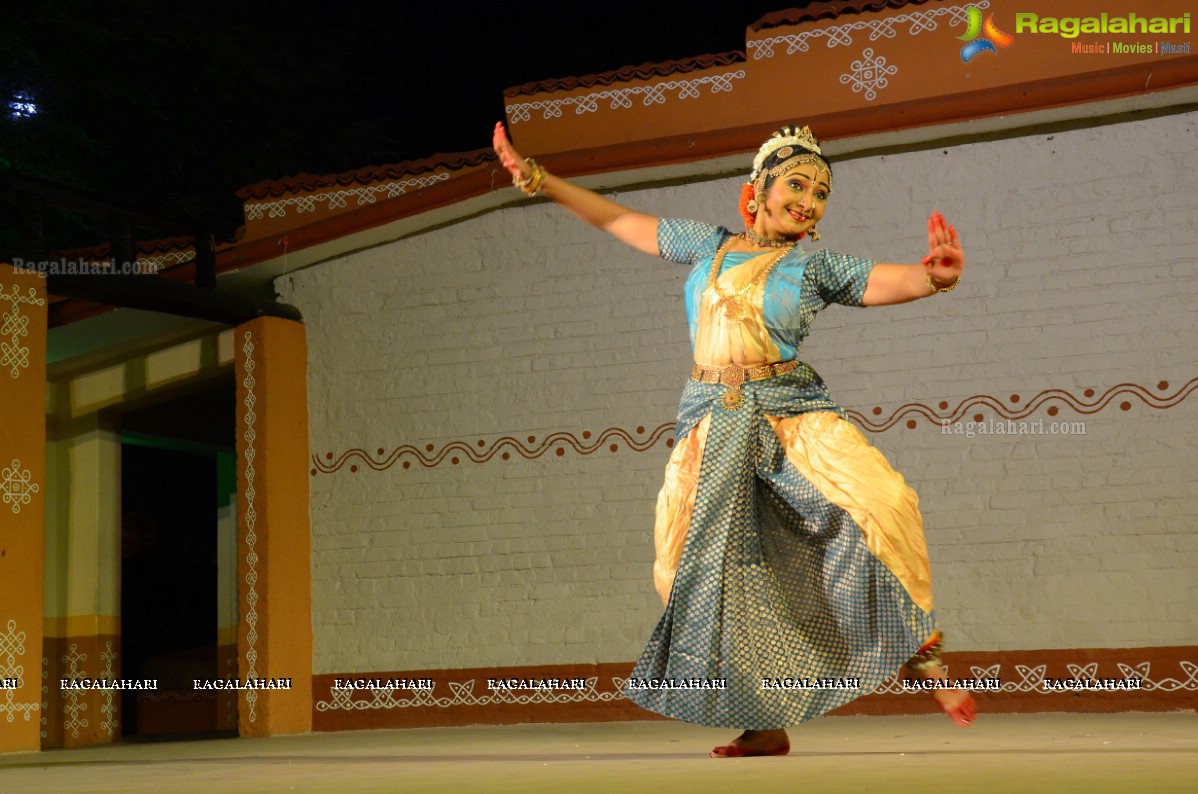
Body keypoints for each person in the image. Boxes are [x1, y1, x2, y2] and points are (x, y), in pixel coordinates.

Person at [492, 121, 975, 758]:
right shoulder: (706, 246)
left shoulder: (815, 265)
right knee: (692, 566)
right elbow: (619, 221)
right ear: (757, 191)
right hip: (711, 424)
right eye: (797, 184)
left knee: (883, 504)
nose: (809, 200)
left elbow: (890, 280)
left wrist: (934, 276)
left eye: (821, 193)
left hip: (788, 414)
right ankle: (762, 720)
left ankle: (925, 662)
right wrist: (540, 180)